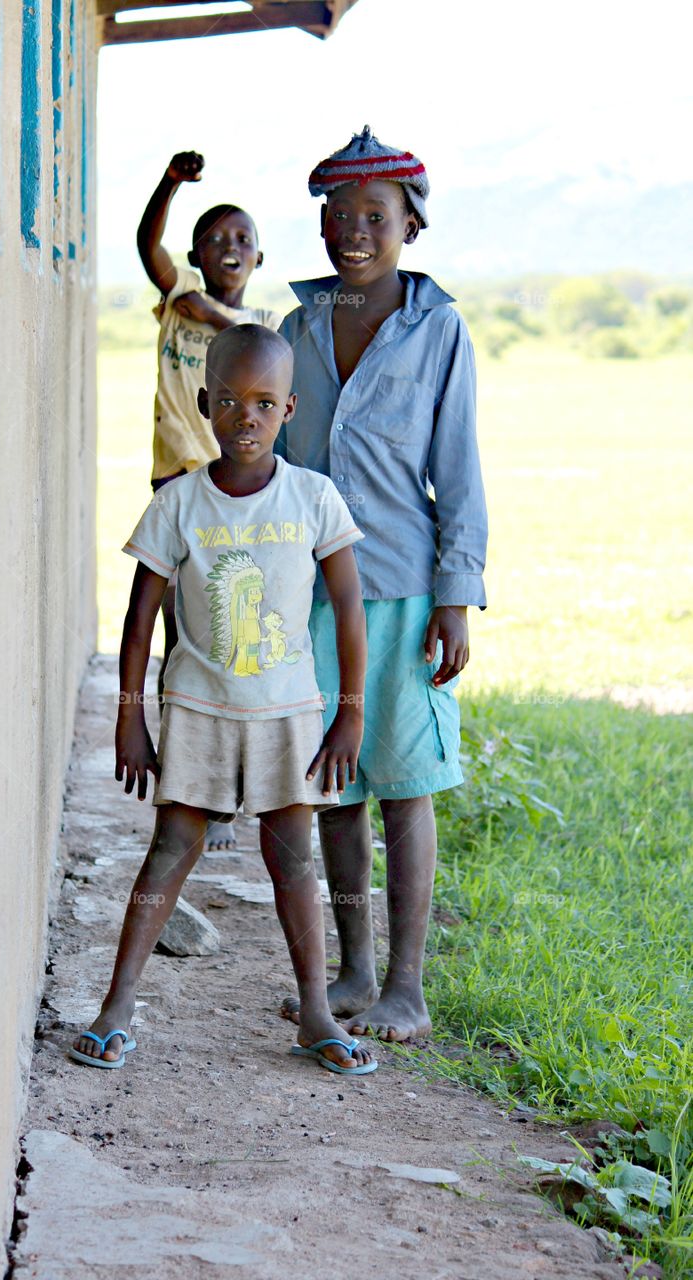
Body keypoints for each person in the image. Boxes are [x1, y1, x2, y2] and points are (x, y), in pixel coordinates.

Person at [70, 324, 376, 1076]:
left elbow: (347, 609)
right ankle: (116, 1006)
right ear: (206, 404)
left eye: (265, 403)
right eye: (232, 401)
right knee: (171, 849)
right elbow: (140, 619)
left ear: (289, 410)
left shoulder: (313, 497)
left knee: (292, 863)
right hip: (200, 712)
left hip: (286, 715)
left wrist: (349, 712)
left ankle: (312, 1012)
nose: (247, 417)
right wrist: (131, 716)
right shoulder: (180, 503)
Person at [277, 126, 488, 1043]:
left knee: (403, 783)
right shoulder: (295, 329)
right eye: (338, 215)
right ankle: (354, 969)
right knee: (332, 784)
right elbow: (277, 460)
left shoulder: (436, 328)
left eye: (375, 217)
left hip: (402, 589)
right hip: (311, 594)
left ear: (411, 225)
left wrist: (456, 594)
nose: (353, 232)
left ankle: (407, 984)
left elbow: (459, 467)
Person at [137, 150, 282, 851]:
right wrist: (169, 183)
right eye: (216, 238)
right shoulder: (177, 293)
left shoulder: (256, 330)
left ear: (259, 256)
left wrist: (218, 316)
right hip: (179, 485)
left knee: (230, 633)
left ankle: (225, 790)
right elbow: (146, 245)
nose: (230, 246)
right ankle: (184, 782)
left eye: (242, 239)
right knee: (179, 637)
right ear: (195, 251)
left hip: (238, 494)